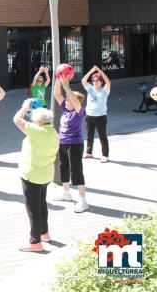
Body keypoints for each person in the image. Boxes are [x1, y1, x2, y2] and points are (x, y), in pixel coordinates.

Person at [13, 102, 59, 252]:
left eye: (33, 120)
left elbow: (17, 120)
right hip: (45, 175)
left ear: (38, 122)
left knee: (33, 210)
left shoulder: (36, 131)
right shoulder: (53, 132)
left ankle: (35, 243)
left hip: (32, 175)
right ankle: (45, 233)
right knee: (41, 204)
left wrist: (25, 107)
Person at [53, 75, 88, 213]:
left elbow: (77, 103)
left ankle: (83, 201)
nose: (66, 100)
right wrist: (58, 81)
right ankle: (66, 193)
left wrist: (67, 86)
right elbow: (56, 94)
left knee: (76, 171)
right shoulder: (67, 110)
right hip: (62, 143)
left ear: (74, 102)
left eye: (69, 99)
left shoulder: (79, 112)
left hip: (75, 144)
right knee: (63, 167)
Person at [81, 65, 111, 163]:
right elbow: (83, 81)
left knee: (102, 136)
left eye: (97, 80)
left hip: (101, 117)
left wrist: (100, 71)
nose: (95, 82)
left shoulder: (105, 90)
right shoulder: (90, 88)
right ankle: (89, 152)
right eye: (94, 80)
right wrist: (91, 71)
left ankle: (105, 155)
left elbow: (108, 82)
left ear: (101, 82)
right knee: (89, 135)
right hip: (89, 116)